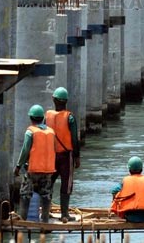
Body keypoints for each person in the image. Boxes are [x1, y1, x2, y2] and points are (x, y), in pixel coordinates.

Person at [14, 104, 56, 222]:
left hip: (33, 169)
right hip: (48, 170)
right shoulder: (51, 132)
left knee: (25, 194)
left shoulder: (30, 132)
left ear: (31, 118)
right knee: (46, 195)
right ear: (42, 118)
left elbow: (25, 150)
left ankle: (23, 219)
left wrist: (18, 166)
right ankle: (45, 221)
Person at [44, 86, 80, 223]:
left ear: (53, 99)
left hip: (51, 155)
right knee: (66, 184)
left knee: (48, 183)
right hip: (66, 156)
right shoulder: (69, 117)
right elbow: (74, 139)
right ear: (66, 101)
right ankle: (65, 214)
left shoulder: (47, 116)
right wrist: (77, 157)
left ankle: (46, 213)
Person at [110, 156, 144, 223]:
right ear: (142, 169)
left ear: (129, 170)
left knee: (119, 193)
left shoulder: (123, 183)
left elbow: (113, 191)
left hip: (129, 217)